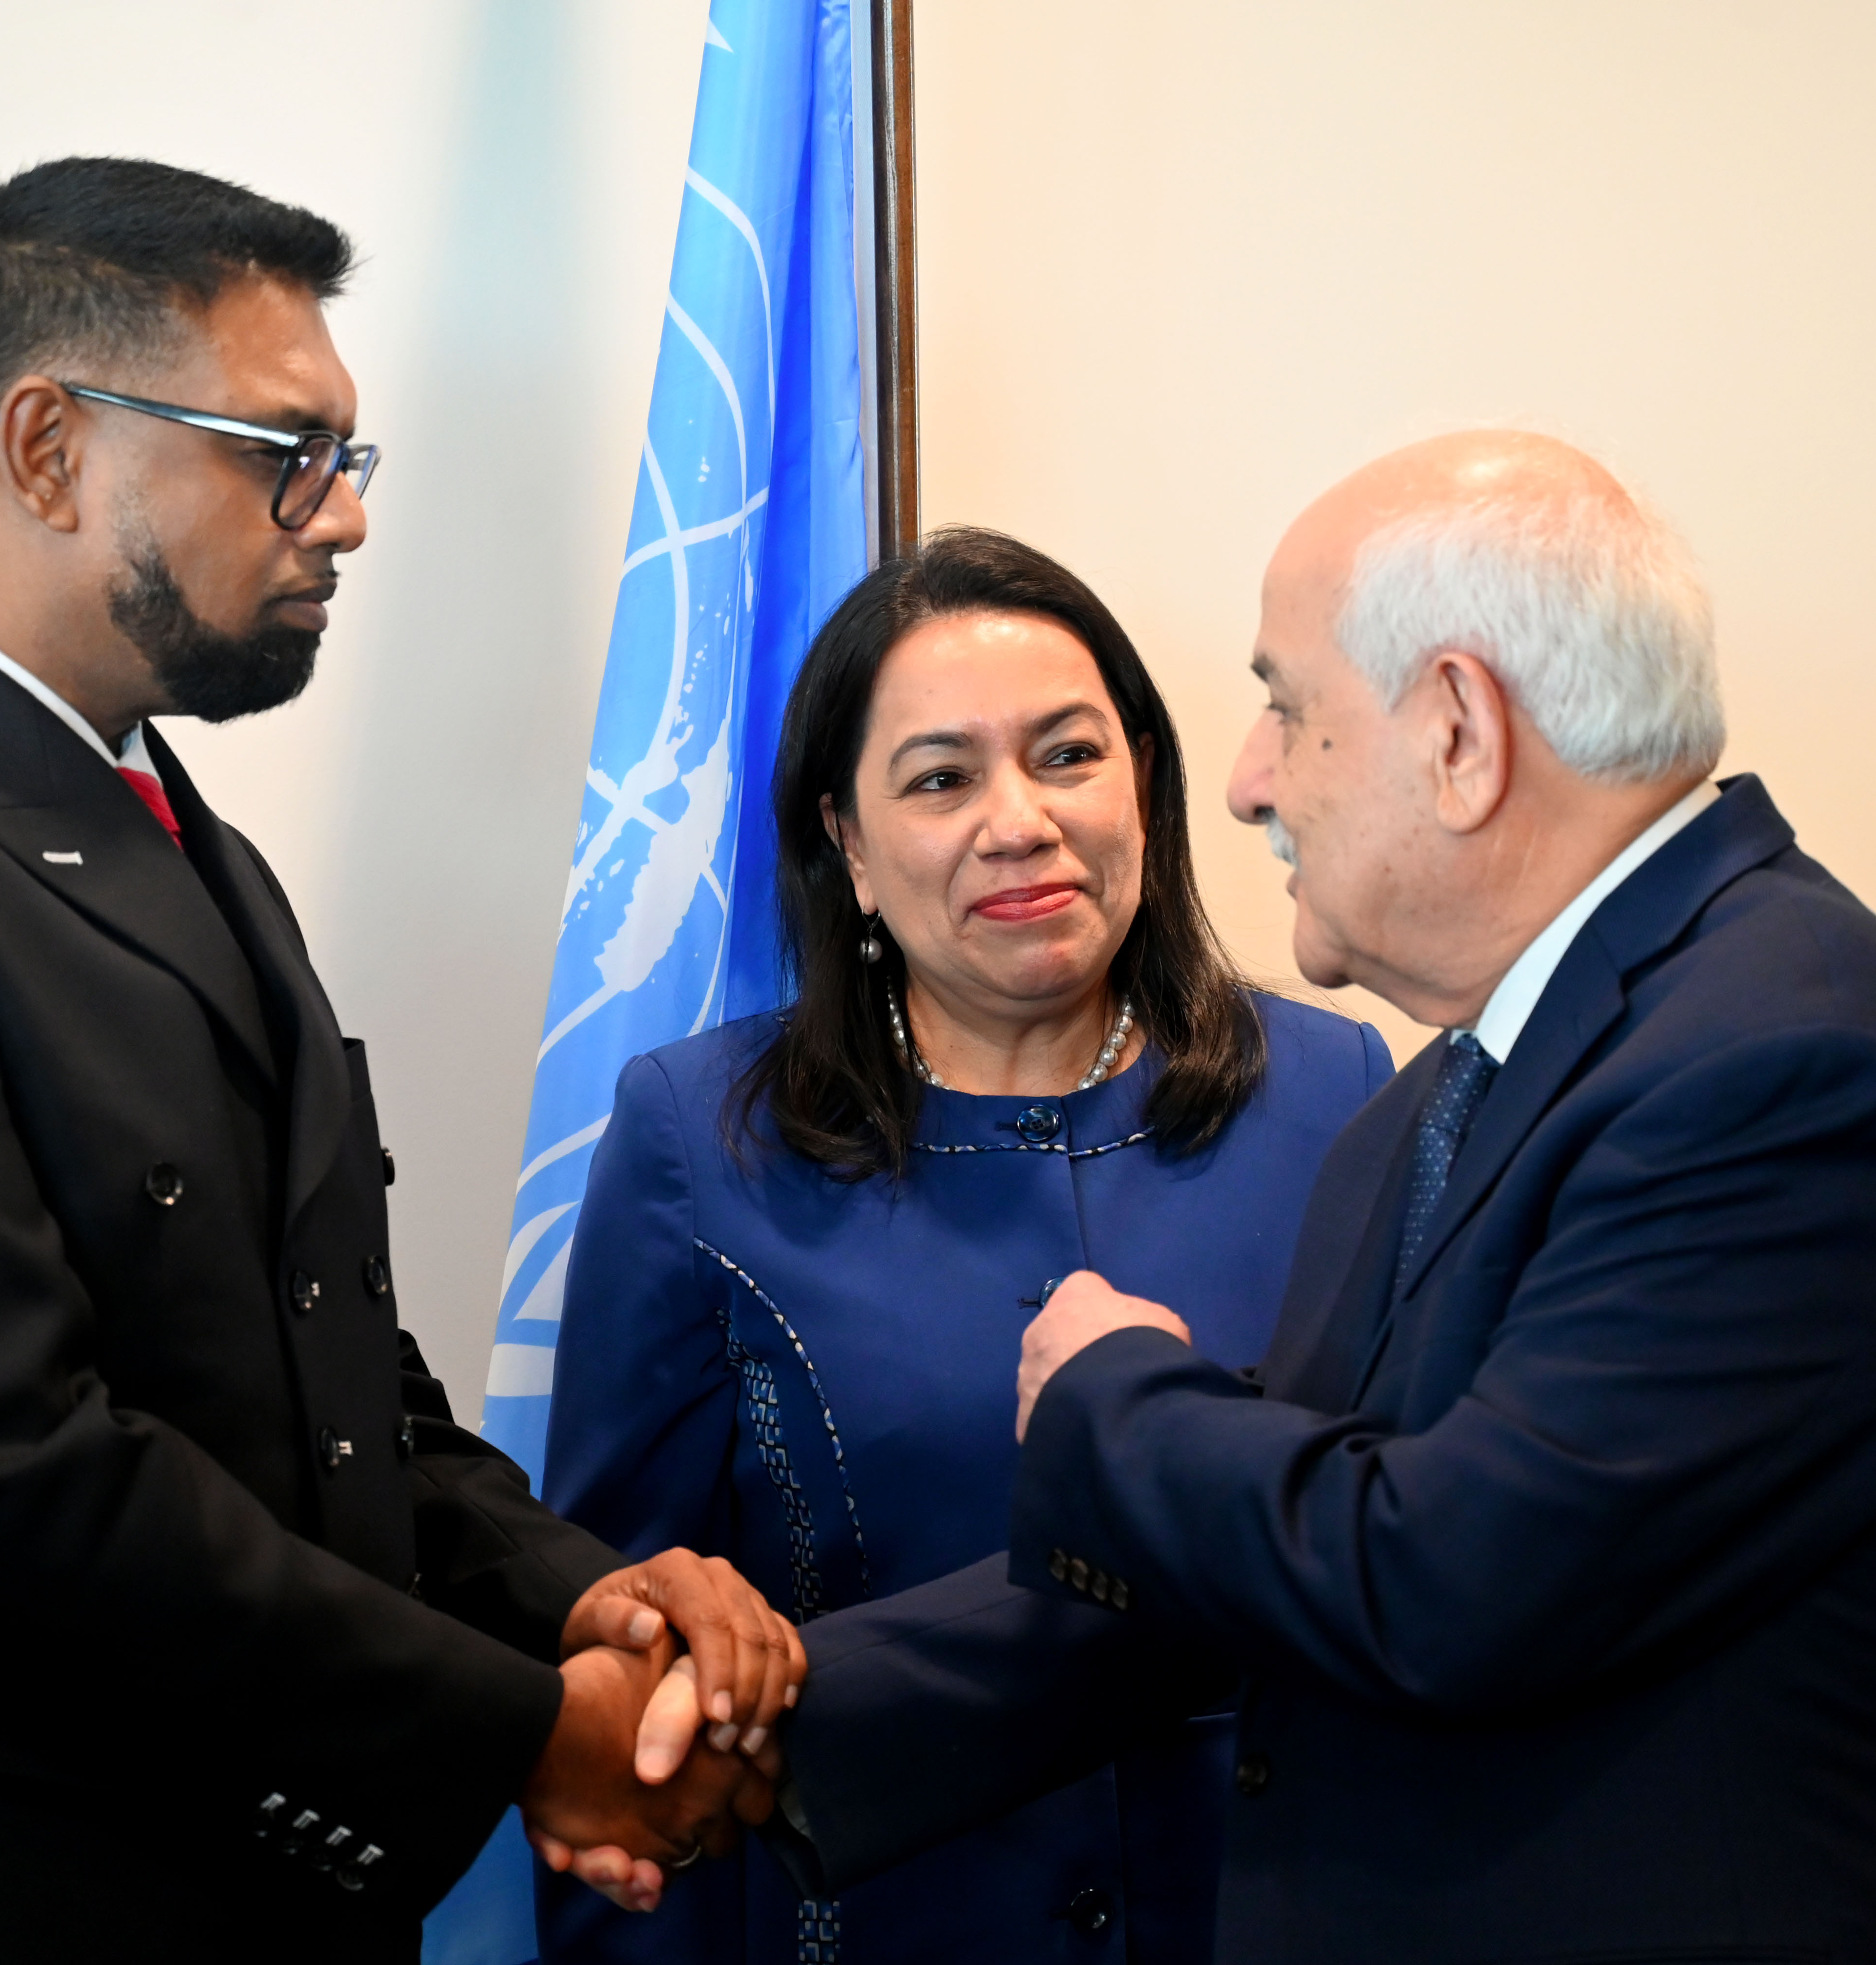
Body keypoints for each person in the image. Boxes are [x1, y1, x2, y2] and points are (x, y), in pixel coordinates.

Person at [0, 157, 799, 1965]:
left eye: (349, 460)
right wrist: (531, 1736)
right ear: (48, 448)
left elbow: (325, 1390)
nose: (338, 517)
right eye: (285, 450)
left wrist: (583, 1602)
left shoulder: (169, 835)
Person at [754, 433, 1876, 1963]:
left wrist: (1112, 1388)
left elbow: (1446, 1576)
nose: (1244, 782)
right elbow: (1273, 1542)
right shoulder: (1442, 1101)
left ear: (1458, 733)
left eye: (1286, 710)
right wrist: (766, 1722)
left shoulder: (1794, 1068)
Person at [535, 528, 1394, 1964]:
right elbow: (630, 1663)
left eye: (1068, 756)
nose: (1020, 821)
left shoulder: (1339, 1089)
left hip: (1269, 1914)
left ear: (1145, 786)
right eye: (941, 779)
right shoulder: (701, 1137)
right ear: (848, 846)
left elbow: (1393, 1560)